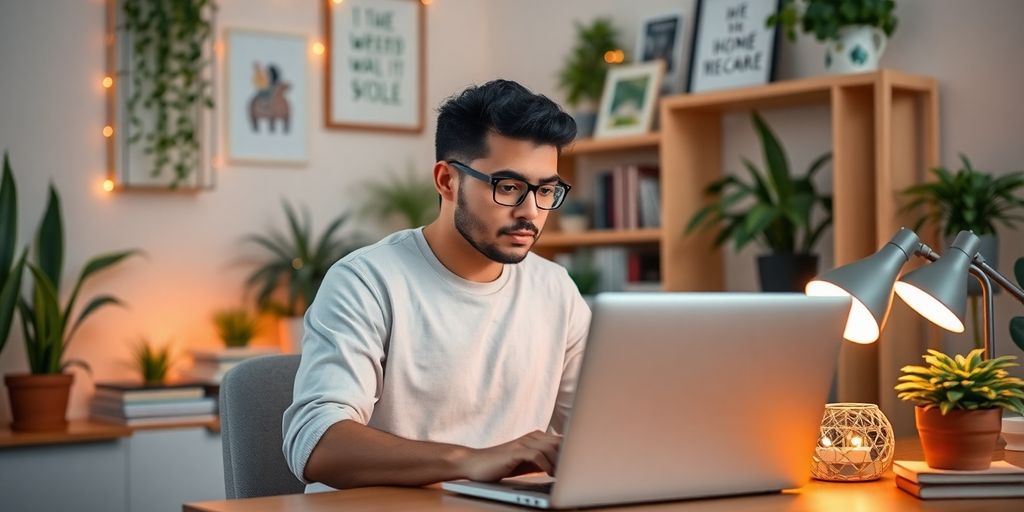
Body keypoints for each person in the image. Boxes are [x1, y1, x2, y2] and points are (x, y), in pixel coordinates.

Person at [282, 79, 591, 492]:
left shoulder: (556, 290)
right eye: (510, 187)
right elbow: (316, 444)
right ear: (447, 181)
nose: (531, 211)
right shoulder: (366, 282)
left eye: (546, 190)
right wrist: (470, 461)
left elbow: (598, 434)